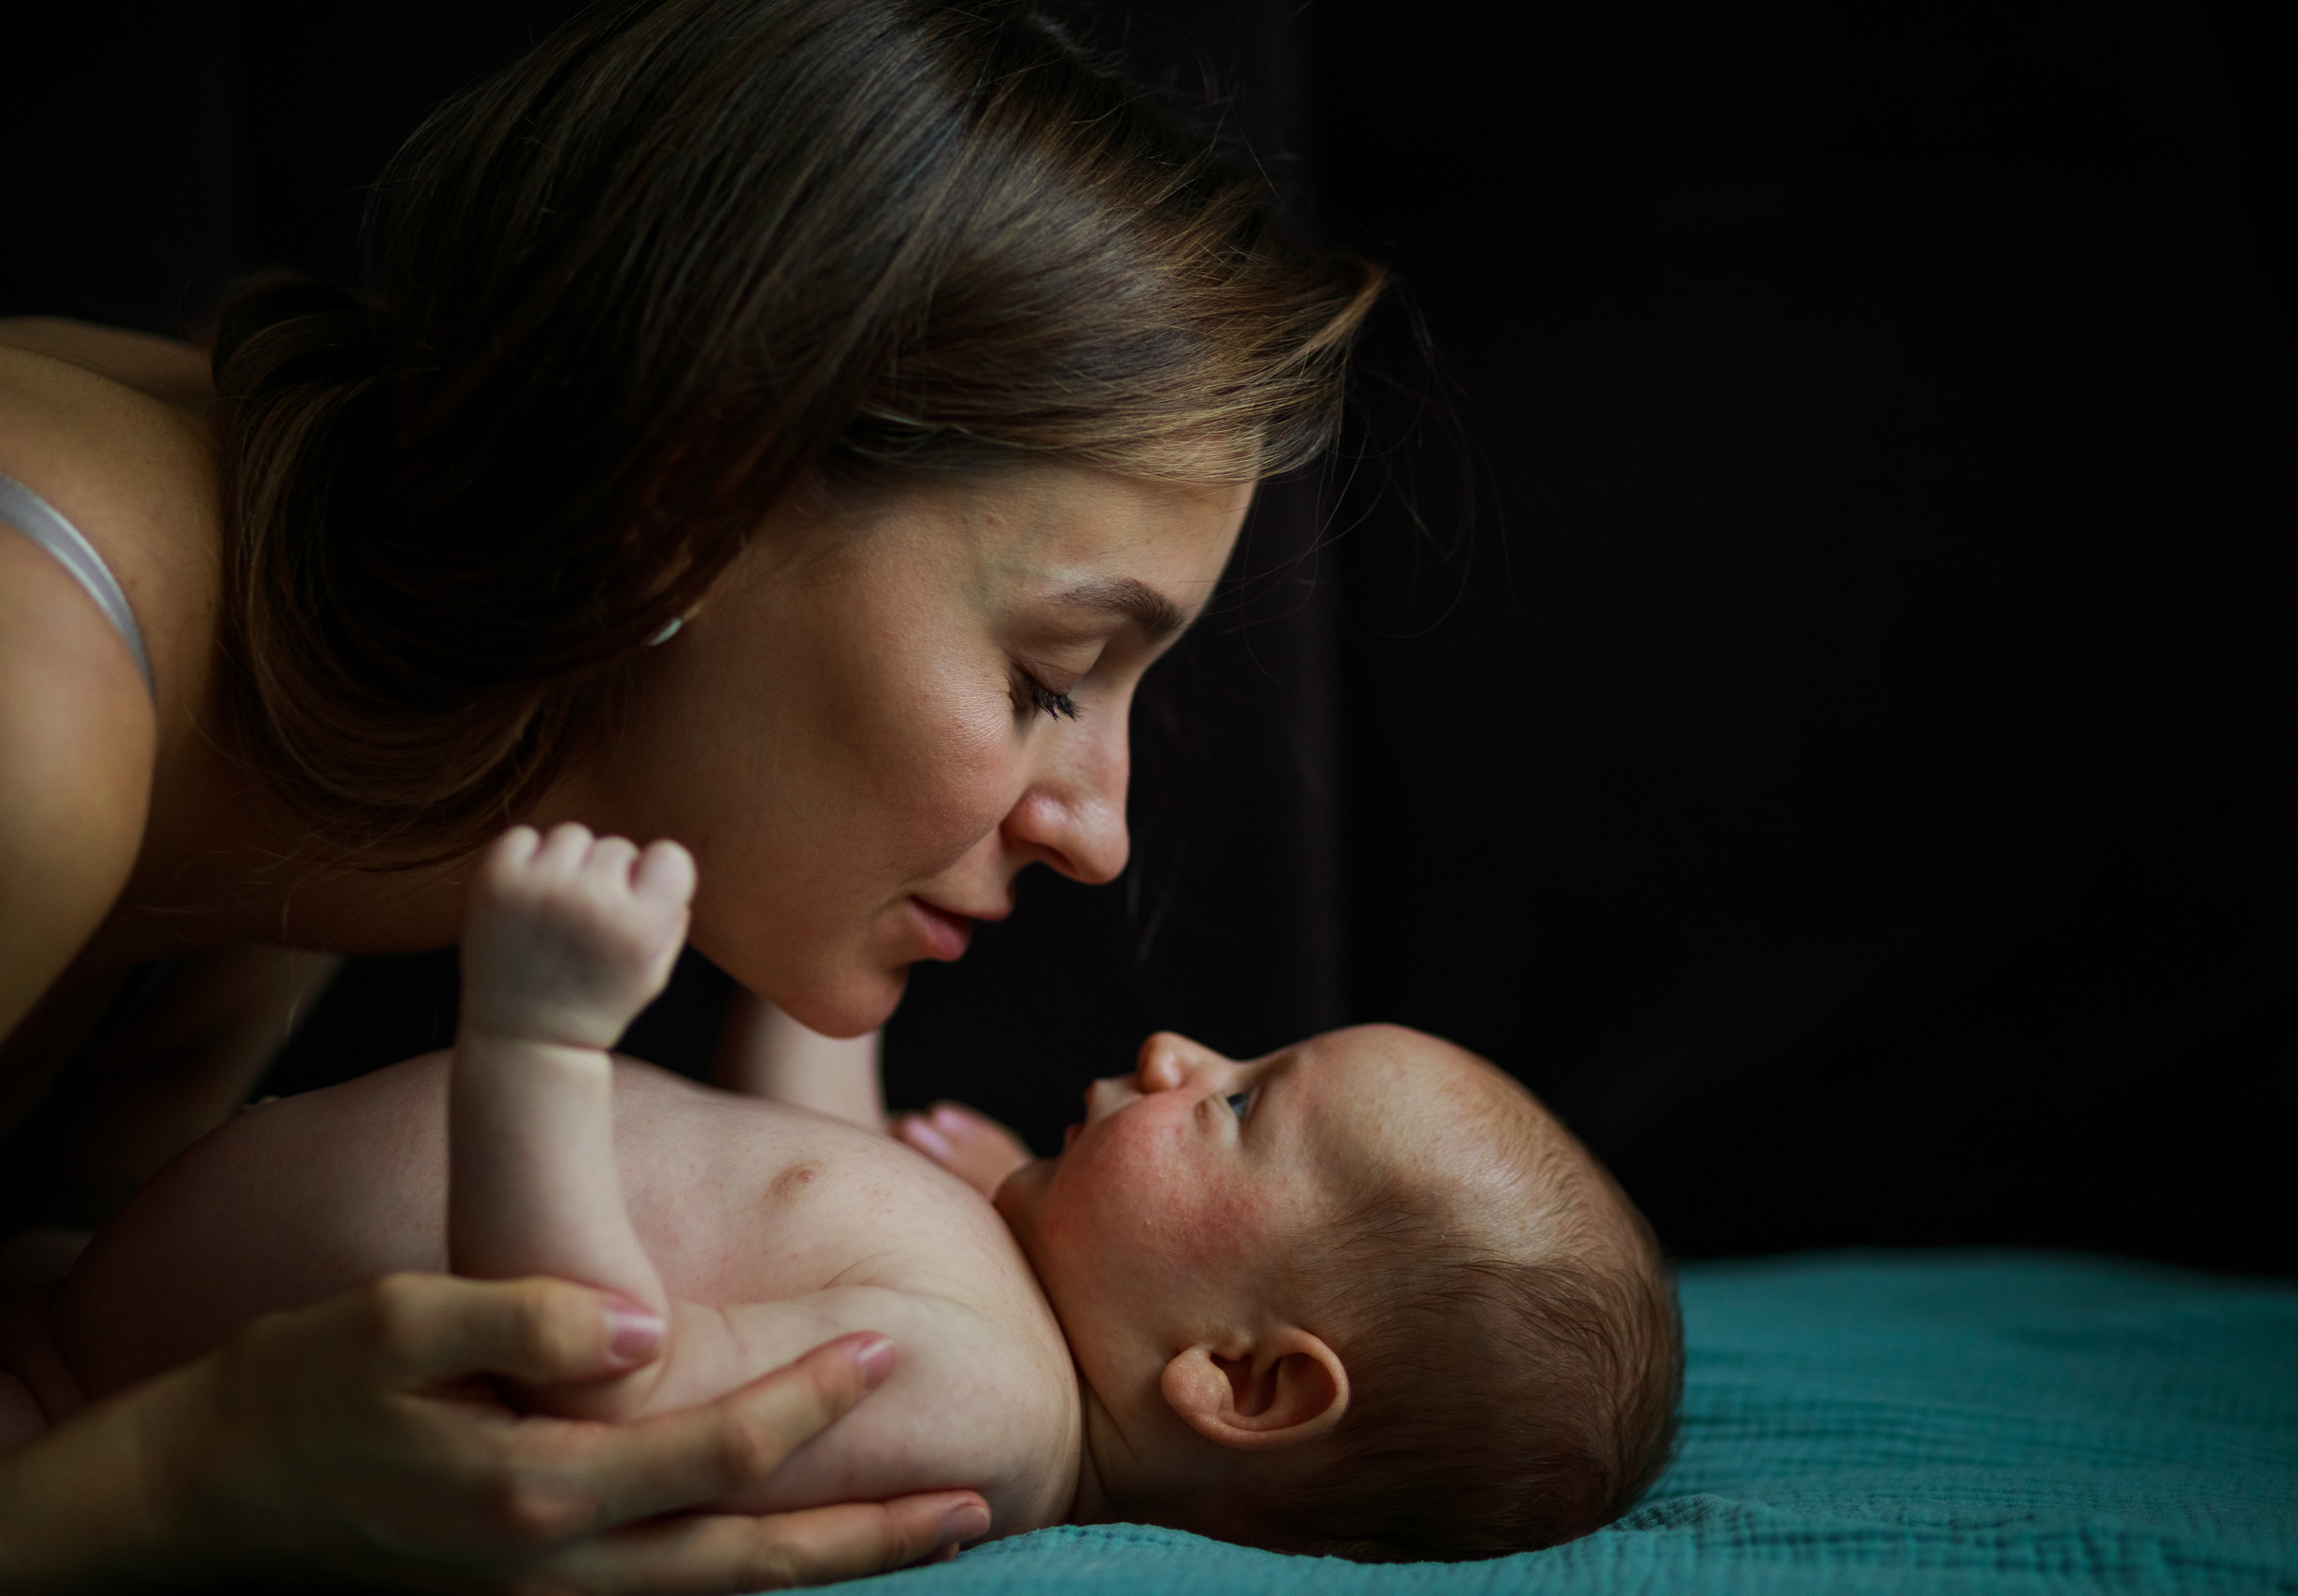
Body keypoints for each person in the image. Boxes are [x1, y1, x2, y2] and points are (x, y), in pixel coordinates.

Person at [0, 0, 1381, 1585]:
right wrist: (189, 1479)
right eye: (1047, 676)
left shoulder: (363, 715)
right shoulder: (35, 702)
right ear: (689, 507)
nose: (1099, 831)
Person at [8, 824, 1683, 1562]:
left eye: (1242, 1109)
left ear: (1238, 1381)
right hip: (94, 1294)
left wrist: (536, 1039)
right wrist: (839, 920)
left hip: (91, 1416)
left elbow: (599, 1389)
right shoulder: (1001, 1287)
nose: (1180, 1050)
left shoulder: (979, 1405)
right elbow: (798, 1106)